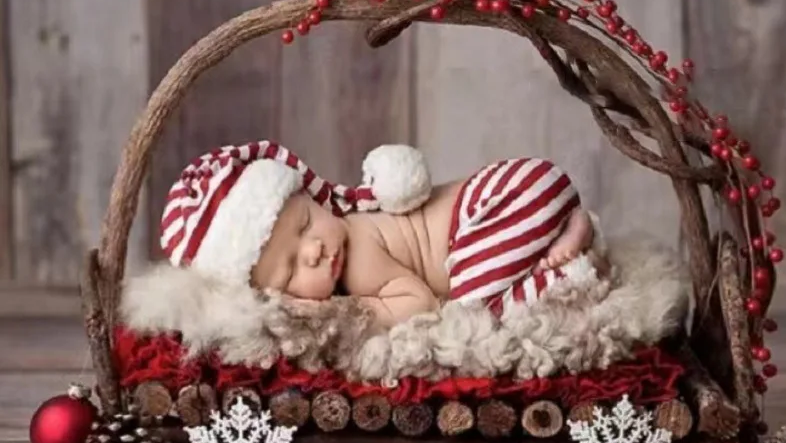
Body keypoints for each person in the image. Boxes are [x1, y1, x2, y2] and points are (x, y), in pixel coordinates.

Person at [160, 141, 607, 330]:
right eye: (291, 268)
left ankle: (571, 266)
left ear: (310, 196)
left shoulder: (356, 257)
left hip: (499, 199)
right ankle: (564, 227)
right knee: (483, 283)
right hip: (526, 186)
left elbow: (420, 302)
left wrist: (352, 310)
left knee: (477, 313)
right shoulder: (342, 240)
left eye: (304, 225)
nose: (314, 250)